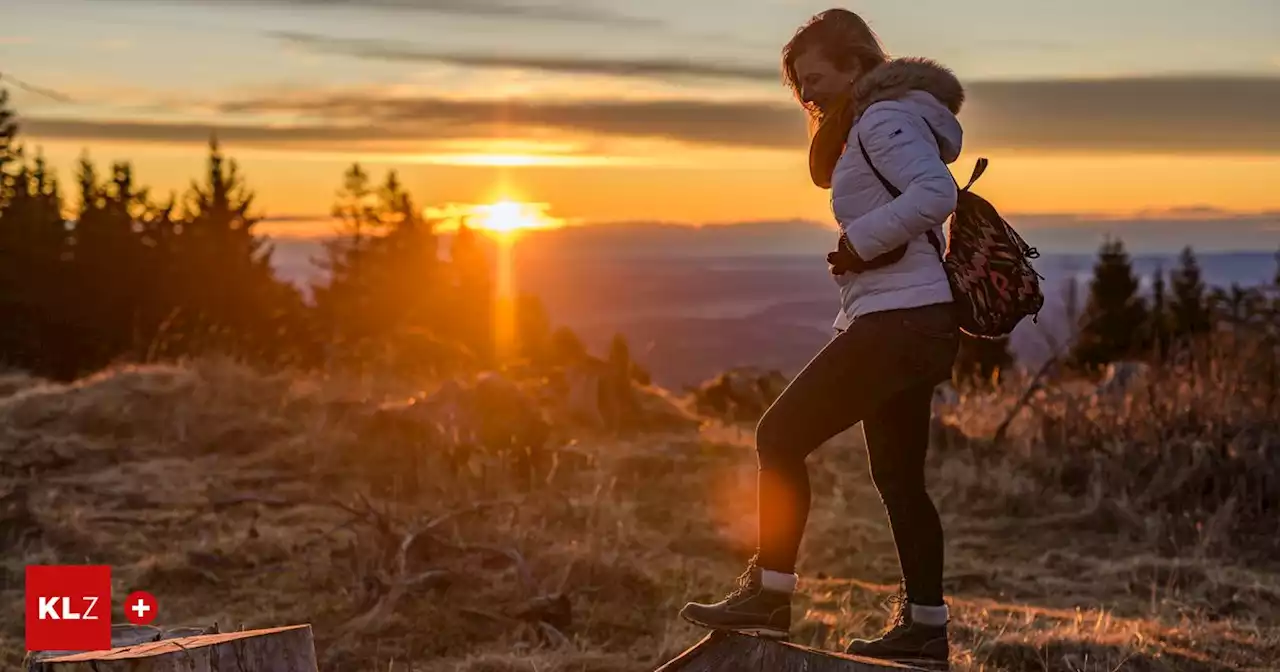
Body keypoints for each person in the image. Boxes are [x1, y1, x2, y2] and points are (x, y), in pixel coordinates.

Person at [679, 7, 964, 670]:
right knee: (898, 477)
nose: (808, 94)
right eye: (799, 85)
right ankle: (925, 627)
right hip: (915, 319)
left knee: (776, 437)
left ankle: (770, 595)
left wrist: (858, 243)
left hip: (900, 320)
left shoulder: (882, 119)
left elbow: (935, 191)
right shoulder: (877, 120)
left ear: (858, 65)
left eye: (817, 77)